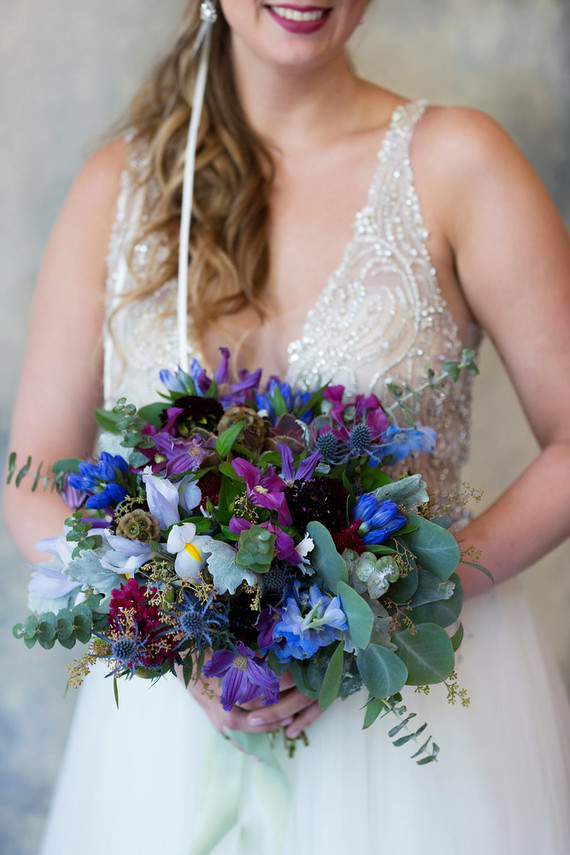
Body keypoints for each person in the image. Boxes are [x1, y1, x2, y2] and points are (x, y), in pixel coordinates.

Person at [3, 1, 570, 852]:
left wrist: (400, 602)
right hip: (172, 738)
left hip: (416, 725)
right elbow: (31, 477)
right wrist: (166, 621)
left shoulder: (460, 164)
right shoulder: (118, 188)